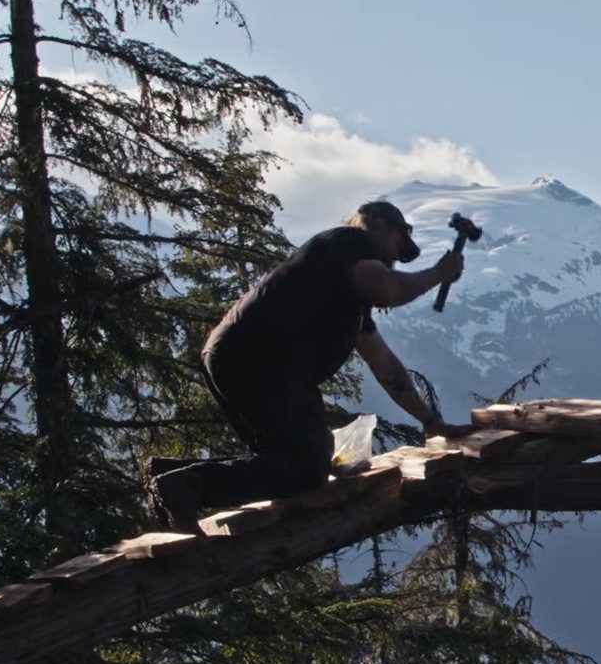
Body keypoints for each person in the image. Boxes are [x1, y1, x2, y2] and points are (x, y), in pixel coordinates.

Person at [145, 200, 466, 534]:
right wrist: (439, 274)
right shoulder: (351, 243)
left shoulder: (342, 290)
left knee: (291, 460)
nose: (392, 262)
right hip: (261, 359)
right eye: (396, 249)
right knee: (306, 470)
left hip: (238, 356)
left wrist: (431, 421)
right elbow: (388, 288)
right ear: (381, 227)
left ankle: (168, 475)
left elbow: (386, 367)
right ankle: (186, 485)